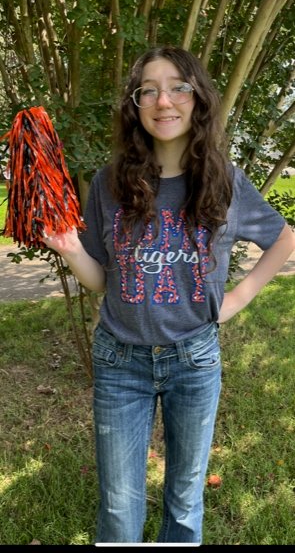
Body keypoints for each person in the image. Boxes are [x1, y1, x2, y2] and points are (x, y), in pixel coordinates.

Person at [43, 45, 295, 544]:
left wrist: (237, 299)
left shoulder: (225, 182)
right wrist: (71, 250)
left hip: (194, 360)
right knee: (118, 506)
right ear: (135, 106)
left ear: (197, 98)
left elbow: (285, 237)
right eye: (149, 90)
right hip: (119, 360)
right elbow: (101, 279)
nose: (164, 101)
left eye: (178, 86)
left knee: (184, 498)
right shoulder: (109, 184)